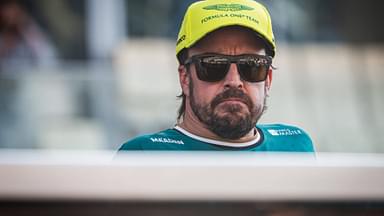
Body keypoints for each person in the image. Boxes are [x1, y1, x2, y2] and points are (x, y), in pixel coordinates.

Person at [119, 0, 314, 151]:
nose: (234, 81)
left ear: (268, 79)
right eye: (213, 65)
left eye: (252, 66)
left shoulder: (296, 145)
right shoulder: (144, 154)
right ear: (185, 78)